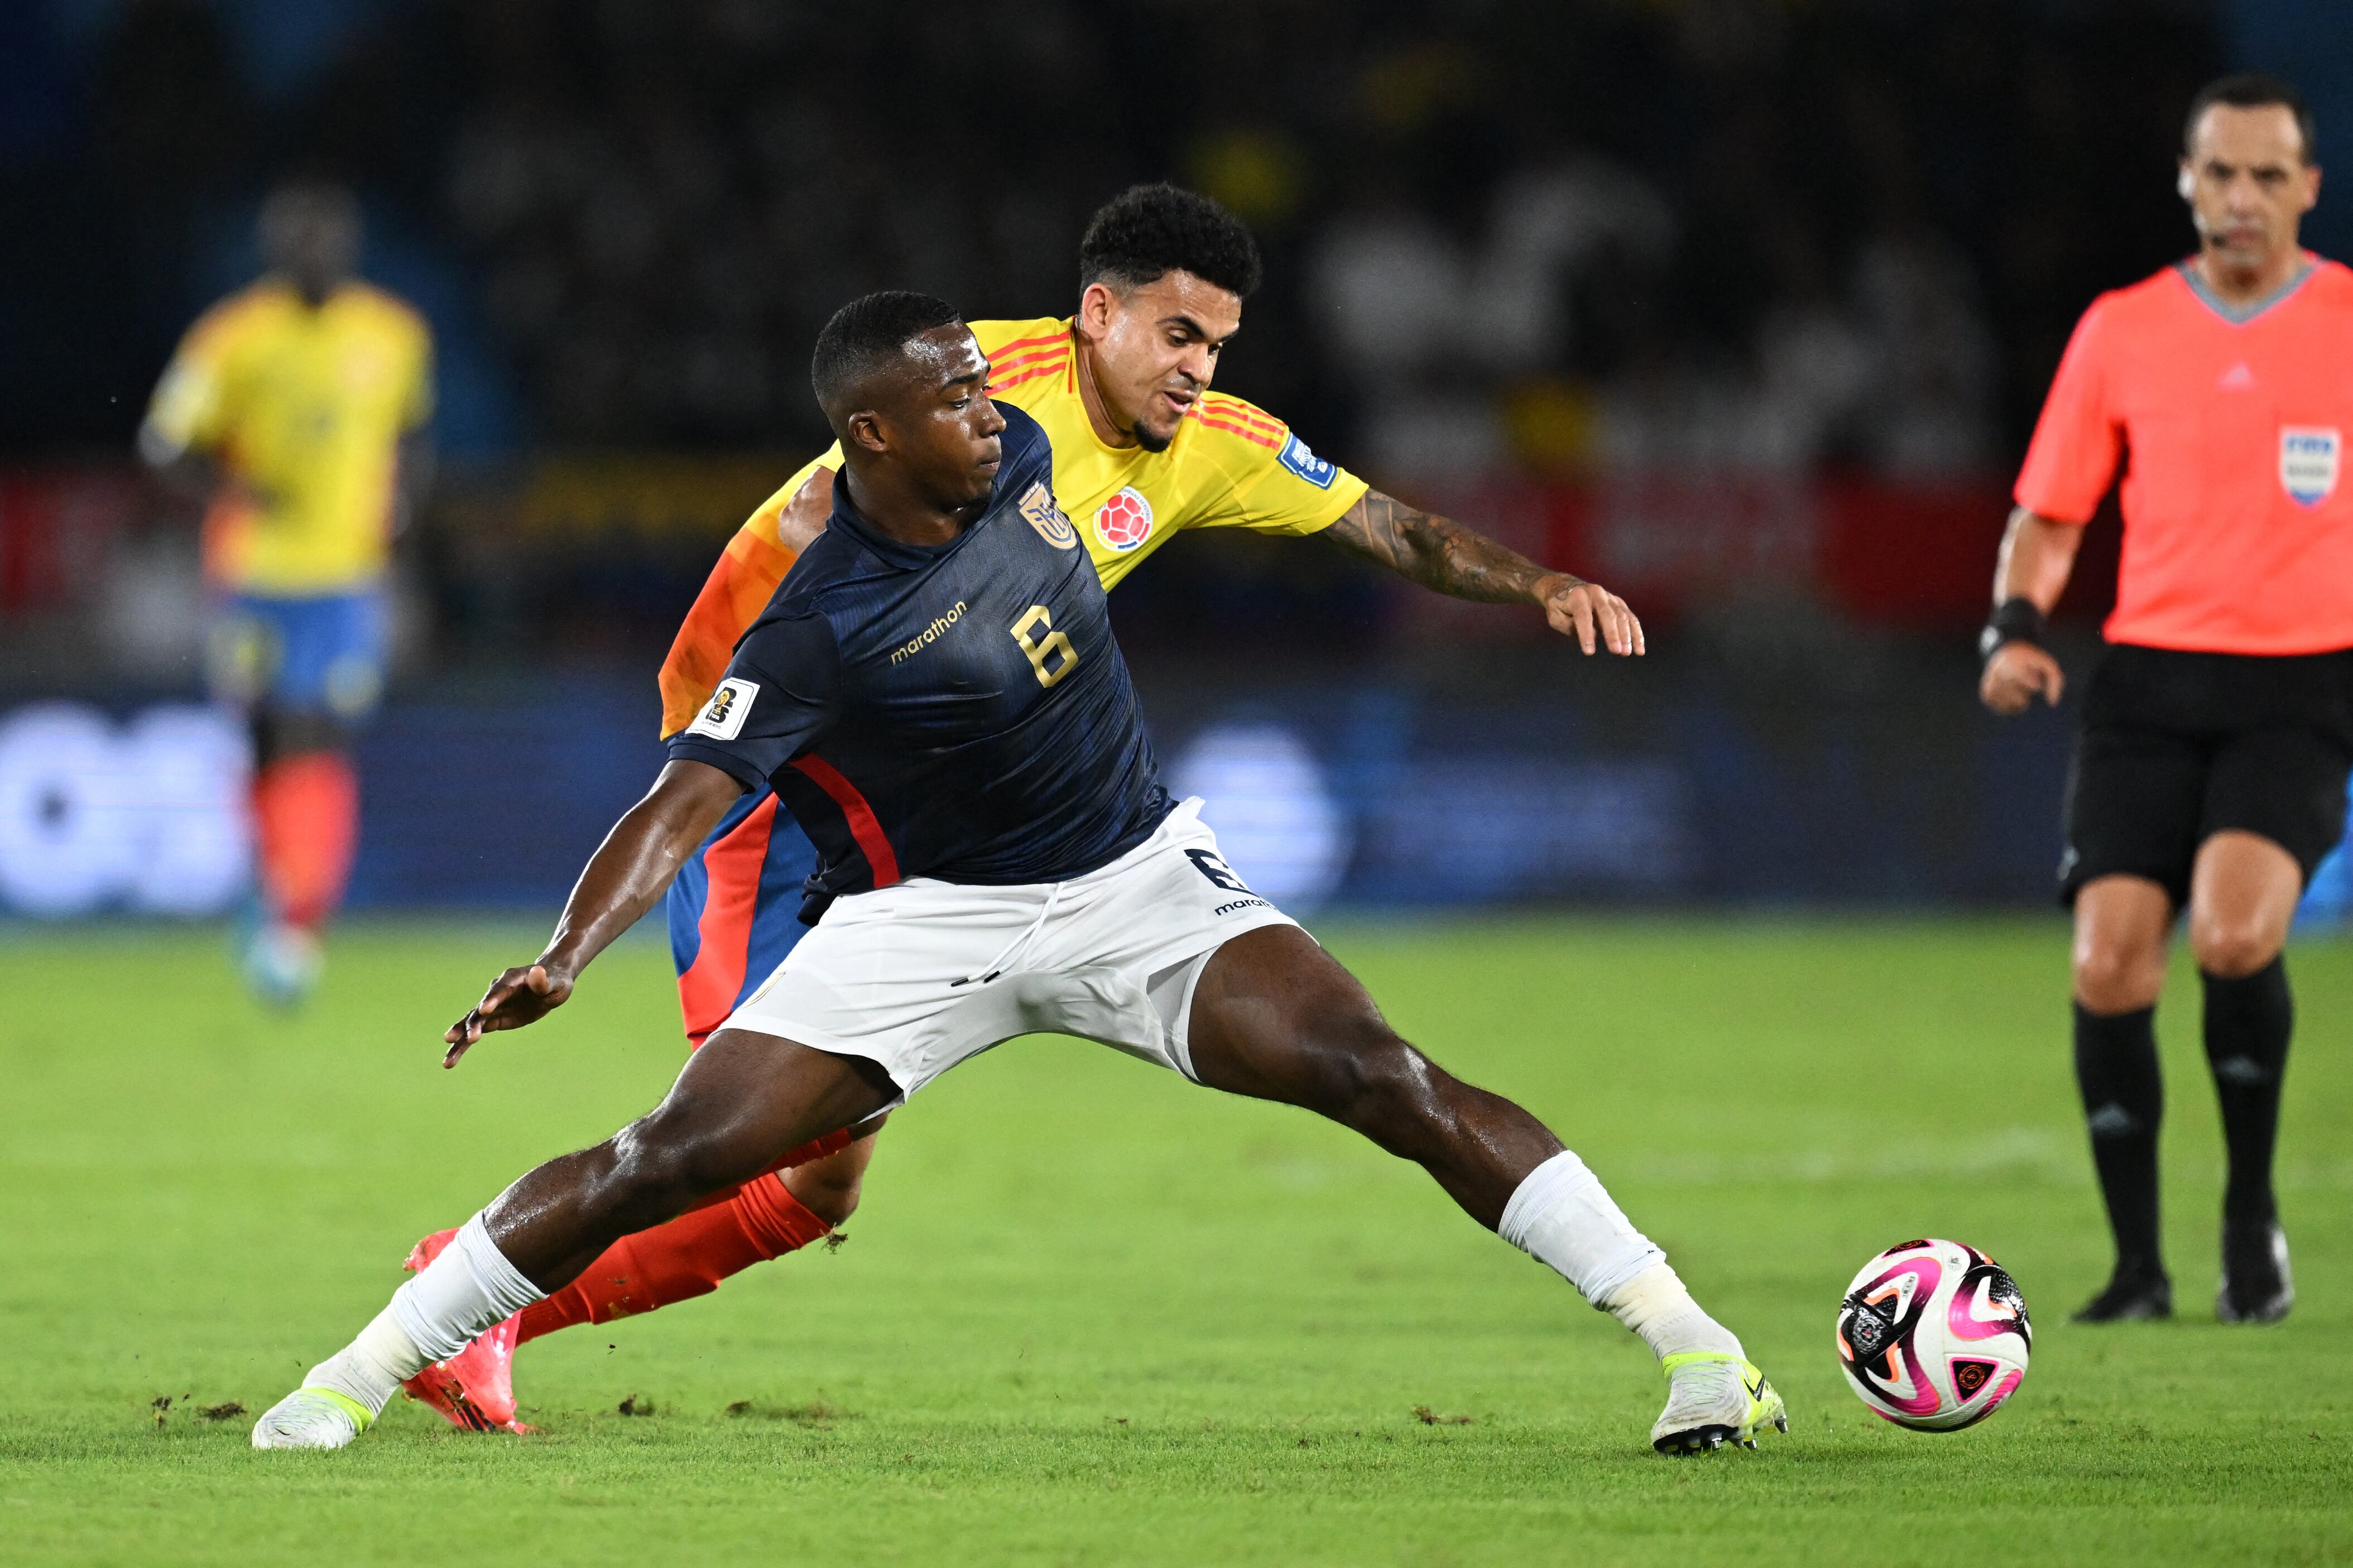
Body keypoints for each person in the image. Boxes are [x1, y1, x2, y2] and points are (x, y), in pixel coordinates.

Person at [254, 293, 1779, 1457]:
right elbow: (688, 791)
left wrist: (1531, 577)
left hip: (1139, 885)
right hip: (922, 925)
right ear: (870, 434)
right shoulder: (819, 621)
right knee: (674, 1156)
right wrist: (567, 956)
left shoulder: (1039, 450)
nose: (991, 411)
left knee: (1385, 1072)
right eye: (953, 398)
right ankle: (353, 1374)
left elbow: (1312, 491)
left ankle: (1695, 1346)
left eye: (987, 385)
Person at [1980, 74, 2353, 1325]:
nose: (2239, 198)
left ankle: (2248, 1219)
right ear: (2185, 181)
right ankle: (2136, 1269)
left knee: (2233, 937)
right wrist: (2012, 627)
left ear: (2306, 185)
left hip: (2297, 685)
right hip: (2146, 680)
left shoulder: (2347, 321)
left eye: (2265, 175)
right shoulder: (2122, 328)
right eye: (2217, 173)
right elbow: (2048, 512)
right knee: (2104, 965)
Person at [140, 178, 434, 1004]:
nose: (314, 256)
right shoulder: (234, 338)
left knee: (320, 732)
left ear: (347, 248)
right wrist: (231, 492)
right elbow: (165, 444)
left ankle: (300, 916)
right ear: (275, 252)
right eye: (298, 243)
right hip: (254, 572)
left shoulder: (393, 335)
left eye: (326, 241)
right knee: (269, 737)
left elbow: (411, 433)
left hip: (345, 578)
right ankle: (276, 895)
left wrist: (404, 503)